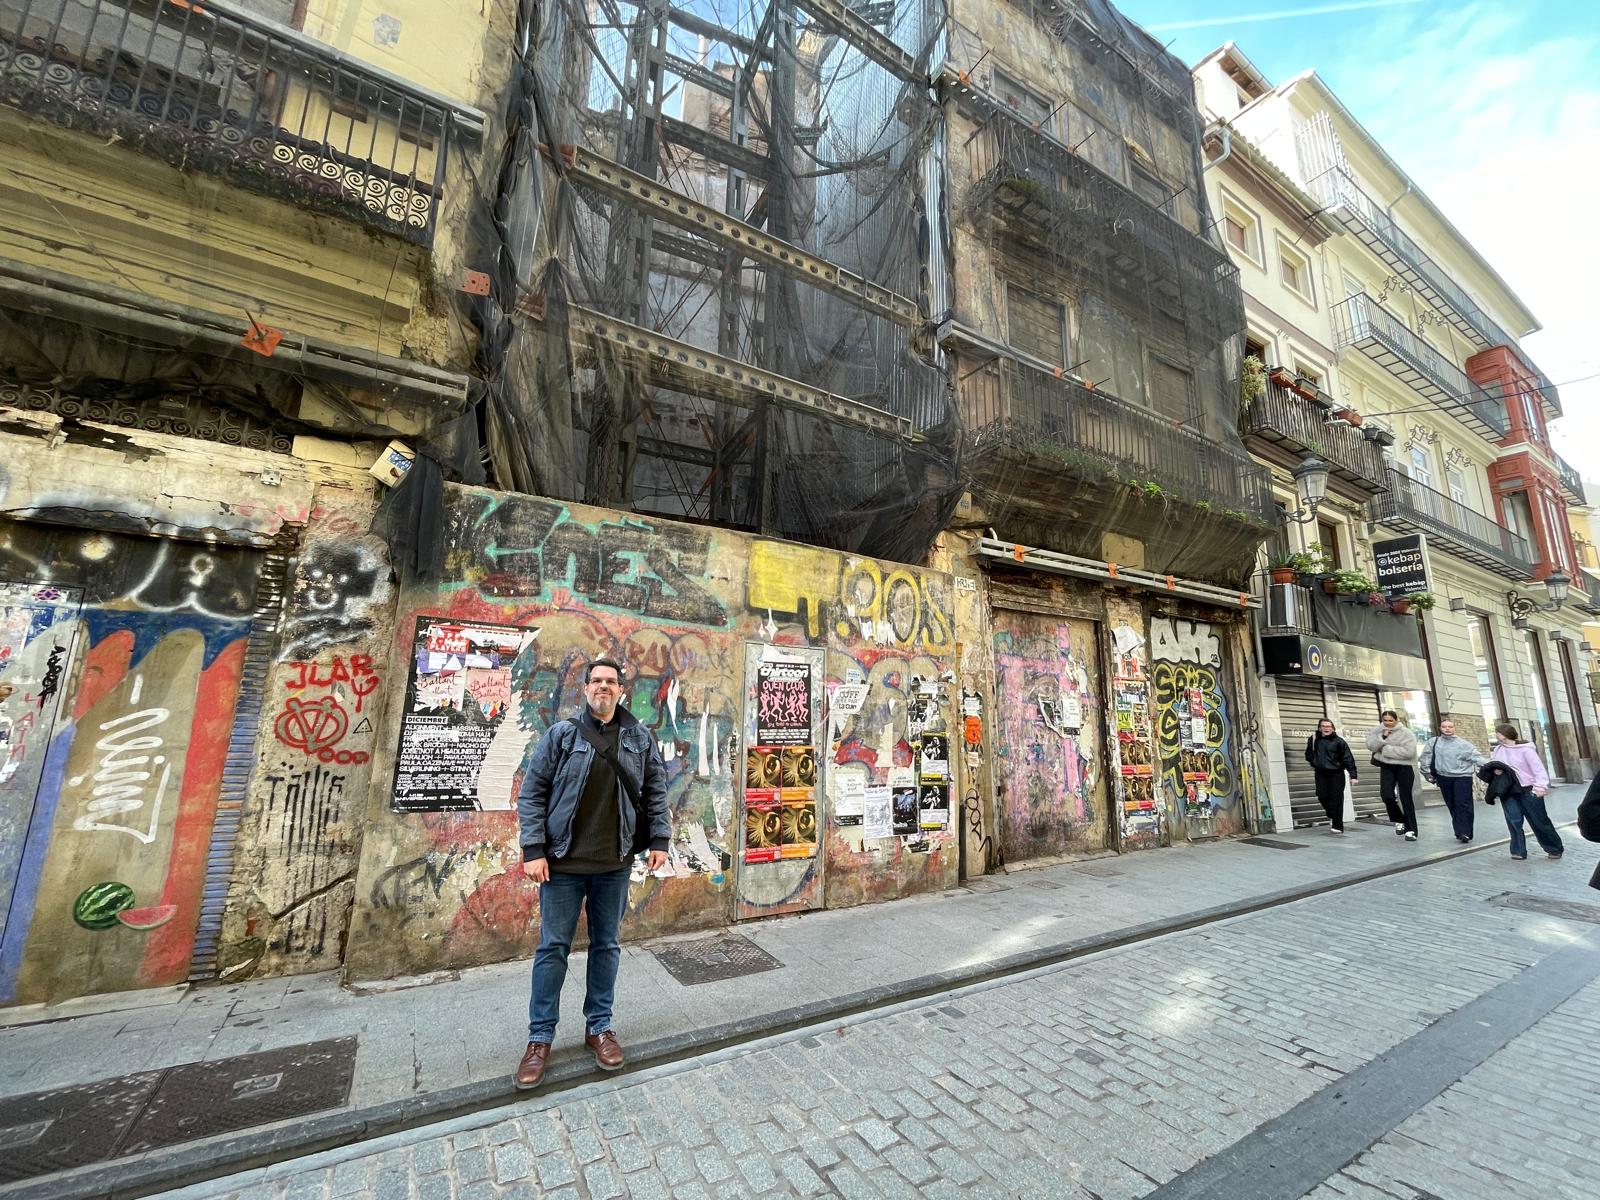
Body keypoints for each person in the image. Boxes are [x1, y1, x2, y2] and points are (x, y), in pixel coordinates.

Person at [513, 659, 671, 1090]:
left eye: (611, 682)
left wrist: (659, 840)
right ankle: (539, 1038)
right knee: (552, 949)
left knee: (607, 946)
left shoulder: (639, 738)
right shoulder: (561, 736)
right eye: (596, 681)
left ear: (622, 690)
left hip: (613, 865)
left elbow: (656, 790)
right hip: (562, 865)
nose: (603, 687)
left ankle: (598, 1027)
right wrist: (533, 849)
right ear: (585, 689)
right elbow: (533, 793)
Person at [1477, 722, 1563, 862]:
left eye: (1497, 732)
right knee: (1514, 820)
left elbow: (1538, 769)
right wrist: (1495, 770)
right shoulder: (1498, 749)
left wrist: (1540, 787)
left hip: (1528, 788)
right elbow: (1495, 763)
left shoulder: (1526, 750)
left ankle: (1554, 848)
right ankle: (1518, 850)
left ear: (1504, 735)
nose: (1495, 734)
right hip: (1509, 789)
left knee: (1539, 820)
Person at [1420, 718, 1488, 843]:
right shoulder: (1433, 742)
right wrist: (1426, 772)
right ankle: (1459, 830)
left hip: (1462, 777)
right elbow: (1425, 757)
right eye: (1444, 726)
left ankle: (1465, 832)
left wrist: (1493, 766)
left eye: (1450, 726)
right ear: (1440, 728)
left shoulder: (1463, 744)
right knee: (1451, 804)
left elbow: (1477, 757)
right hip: (1443, 777)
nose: (1447, 729)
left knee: (1462, 804)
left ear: (1454, 728)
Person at [1365, 710, 1419, 841]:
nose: (1388, 723)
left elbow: (1409, 752)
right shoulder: (1378, 730)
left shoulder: (1406, 733)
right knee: (1386, 795)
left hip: (1404, 767)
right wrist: (1382, 738)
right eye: (1385, 720)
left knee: (1406, 798)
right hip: (1386, 767)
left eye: (1390, 720)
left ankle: (1411, 830)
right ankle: (1399, 820)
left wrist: (1386, 750)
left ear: (1396, 720)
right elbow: (1370, 746)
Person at [1303, 718, 1357, 833]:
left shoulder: (1339, 742)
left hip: (1336, 773)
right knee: (1321, 795)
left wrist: (1353, 775)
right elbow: (1308, 754)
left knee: (1337, 799)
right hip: (1320, 773)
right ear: (1319, 728)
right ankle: (1332, 814)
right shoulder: (1313, 740)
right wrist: (1314, 762)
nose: (1326, 728)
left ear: (1332, 728)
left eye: (1329, 726)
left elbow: (1348, 758)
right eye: (1324, 726)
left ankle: (1338, 826)